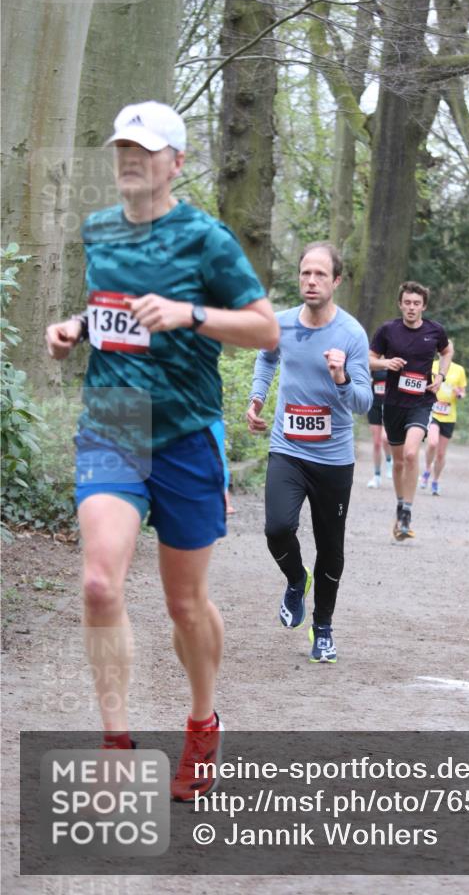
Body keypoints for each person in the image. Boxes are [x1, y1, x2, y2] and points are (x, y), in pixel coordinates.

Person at [45, 100, 278, 800]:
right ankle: (116, 743)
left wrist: (191, 315)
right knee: (98, 582)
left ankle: (203, 723)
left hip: (185, 429)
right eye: (122, 147)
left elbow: (265, 330)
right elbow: (112, 308)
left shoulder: (207, 240)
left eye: (144, 150)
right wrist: (76, 327)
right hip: (113, 419)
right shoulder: (98, 231)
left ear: (175, 162)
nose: (129, 159)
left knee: (184, 603)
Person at [246, 242, 373, 663]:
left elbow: (364, 403)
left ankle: (323, 627)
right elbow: (266, 359)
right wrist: (257, 399)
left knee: (330, 548)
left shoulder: (351, 334)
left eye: (320, 274)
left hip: (334, 459)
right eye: (305, 273)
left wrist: (340, 377)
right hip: (288, 448)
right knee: (277, 529)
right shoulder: (280, 324)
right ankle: (295, 580)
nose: (311, 281)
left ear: (336, 280)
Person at [369, 282, 452, 541]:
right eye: (407, 303)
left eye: (416, 303)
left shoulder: (434, 331)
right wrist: (385, 362)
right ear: (400, 304)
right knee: (398, 462)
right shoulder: (388, 330)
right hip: (393, 403)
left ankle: (407, 512)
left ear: (423, 306)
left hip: (421, 402)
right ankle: (399, 502)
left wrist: (440, 376)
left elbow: (447, 351)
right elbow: (368, 359)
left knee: (411, 452)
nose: (411, 308)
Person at [419, 359, 467, 495]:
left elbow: (463, 392)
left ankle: (435, 480)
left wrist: (459, 394)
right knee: (432, 443)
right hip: (432, 412)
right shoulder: (431, 364)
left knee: (440, 453)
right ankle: (427, 469)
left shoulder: (459, 369)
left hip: (449, 415)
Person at [366, 368, 392, 488]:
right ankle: (376, 476)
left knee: (385, 438)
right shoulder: (372, 358)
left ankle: (389, 460)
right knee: (376, 443)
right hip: (374, 404)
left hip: (389, 404)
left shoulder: (393, 357)